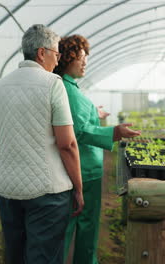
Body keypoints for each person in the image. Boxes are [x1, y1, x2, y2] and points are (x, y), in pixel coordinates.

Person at [0, 24, 84, 264]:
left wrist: (3, 176)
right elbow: (67, 145)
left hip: (8, 190)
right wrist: (78, 188)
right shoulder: (53, 84)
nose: (58, 59)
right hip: (48, 194)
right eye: (56, 53)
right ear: (42, 53)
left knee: (15, 255)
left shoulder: (1, 85)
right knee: (44, 257)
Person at [53, 34, 141, 264]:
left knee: (73, 223)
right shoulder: (67, 90)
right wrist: (115, 132)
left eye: (86, 58)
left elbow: (77, 118)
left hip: (81, 167)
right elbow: (80, 130)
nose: (85, 63)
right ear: (67, 59)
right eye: (81, 58)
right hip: (84, 170)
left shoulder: (68, 86)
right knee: (85, 224)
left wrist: (95, 112)